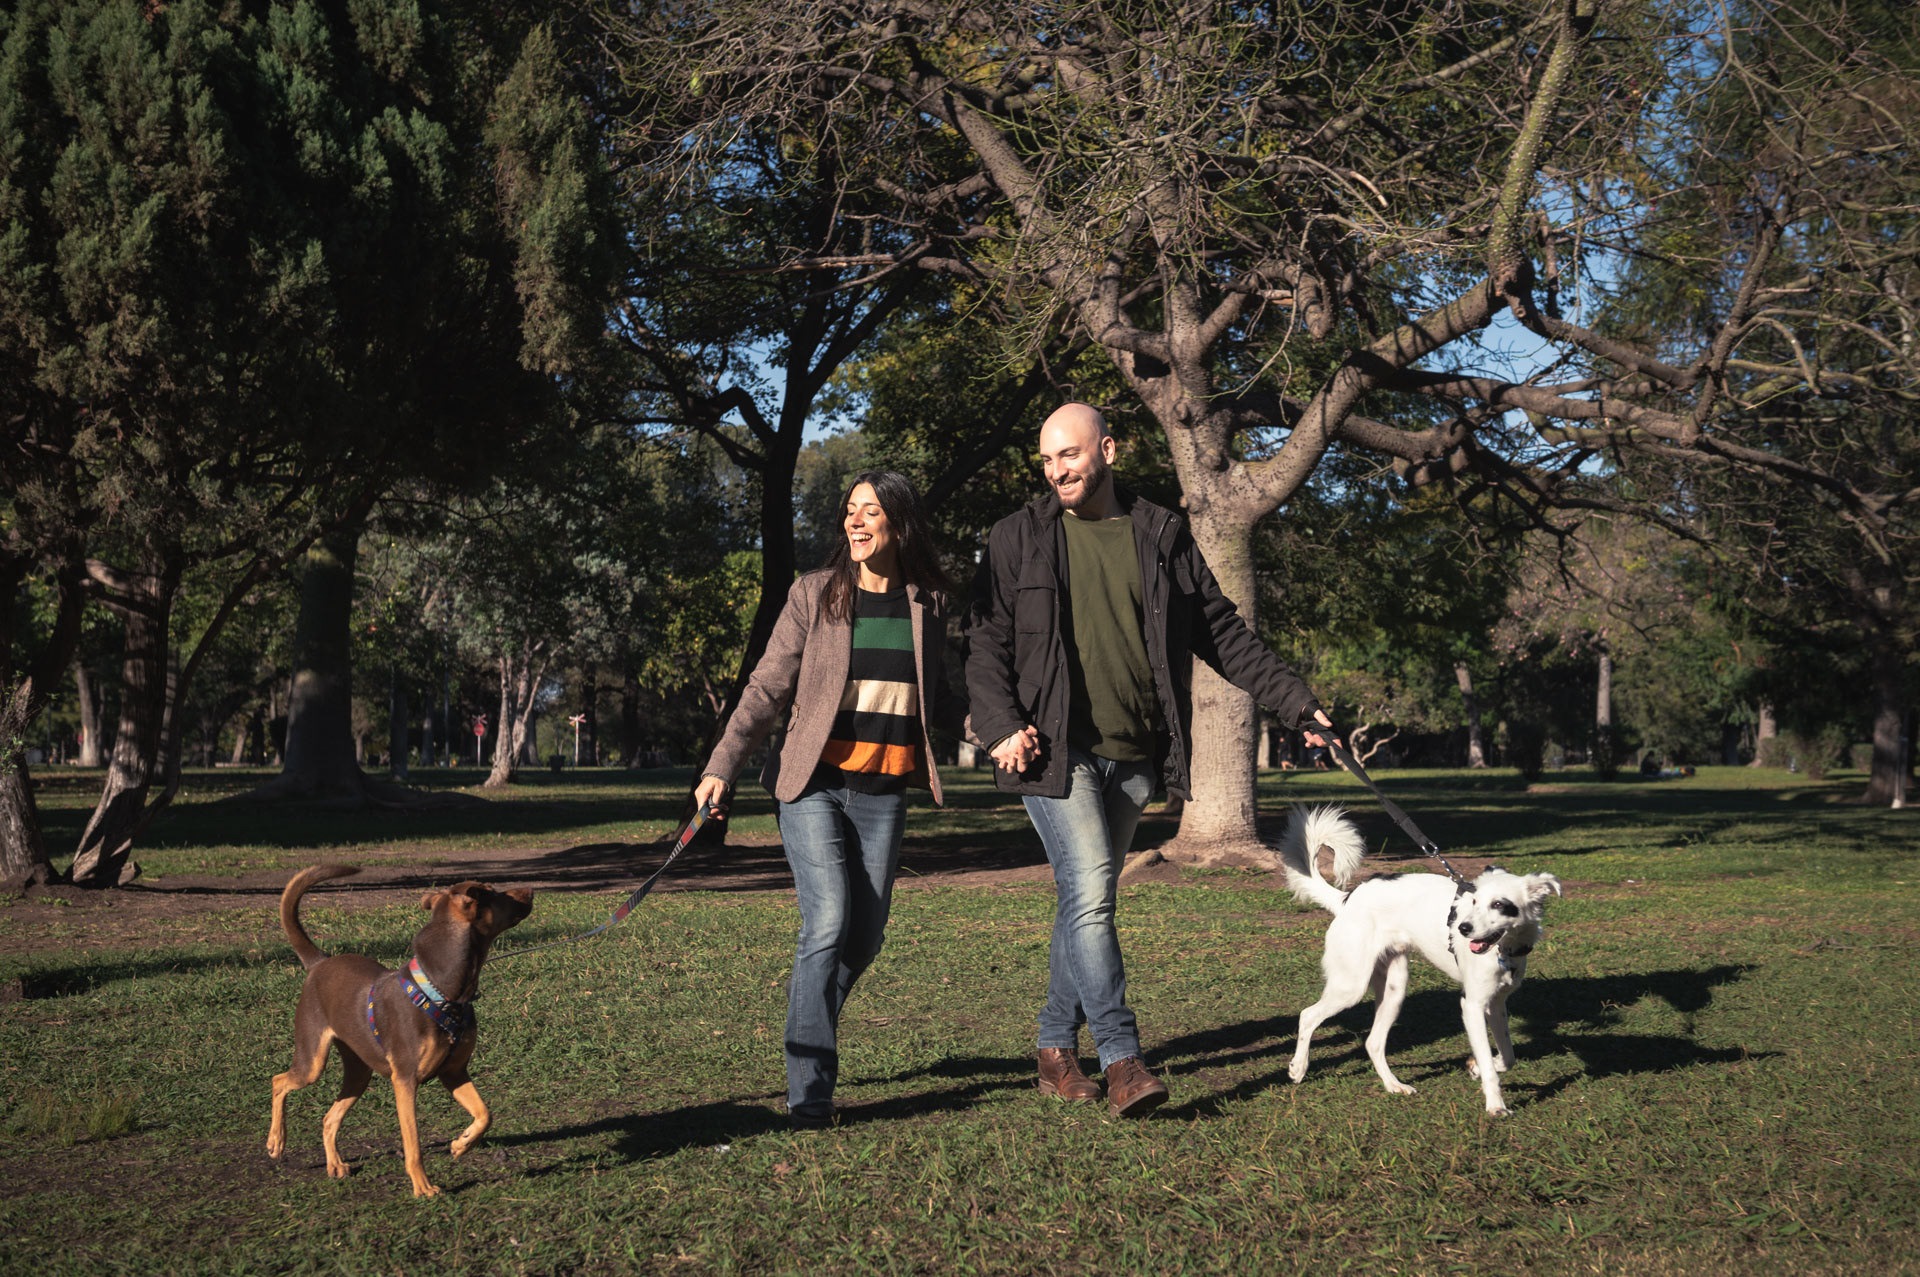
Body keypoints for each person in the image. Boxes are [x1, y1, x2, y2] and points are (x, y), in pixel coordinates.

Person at [966, 403, 1340, 1117]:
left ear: (1108, 447)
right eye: (1047, 459)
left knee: (1085, 899)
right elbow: (986, 642)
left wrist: (1296, 703)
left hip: (1135, 754)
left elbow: (1223, 632)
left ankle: (1052, 1047)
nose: (1058, 470)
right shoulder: (1018, 537)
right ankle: (1122, 1059)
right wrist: (998, 725)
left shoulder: (1161, 533)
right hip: (1053, 753)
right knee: (1093, 897)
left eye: (1070, 454)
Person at [695, 471, 965, 1128]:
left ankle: (807, 1022)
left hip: (884, 792)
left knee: (864, 937)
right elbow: (765, 690)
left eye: (871, 511)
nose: (857, 521)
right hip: (812, 784)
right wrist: (721, 765)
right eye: (850, 511)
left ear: (899, 523)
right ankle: (810, 1090)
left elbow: (955, 689)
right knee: (828, 921)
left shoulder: (929, 604)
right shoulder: (814, 596)